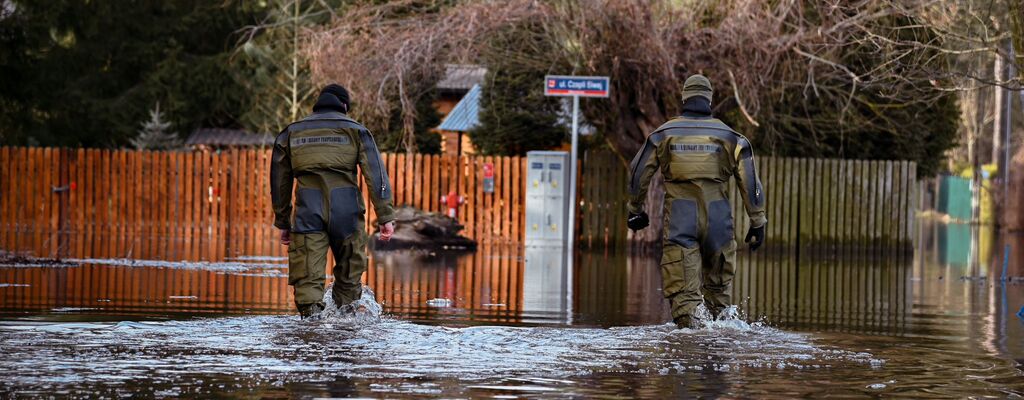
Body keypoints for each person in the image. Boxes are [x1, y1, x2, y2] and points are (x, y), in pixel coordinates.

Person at [626, 74, 767, 328]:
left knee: (685, 306)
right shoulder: (731, 137)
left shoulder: (664, 134)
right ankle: (716, 359)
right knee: (720, 305)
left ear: (684, 98)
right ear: (709, 100)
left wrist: (635, 210)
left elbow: (638, 174)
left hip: (681, 223)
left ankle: (689, 356)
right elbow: (750, 180)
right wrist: (757, 220)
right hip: (719, 223)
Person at [270, 84, 396, 319]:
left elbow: (279, 182)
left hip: (308, 214)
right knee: (349, 282)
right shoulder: (356, 131)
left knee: (307, 282)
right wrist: (385, 216)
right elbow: (376, 175)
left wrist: (283, 221)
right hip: (346, 214)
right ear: (344, 106)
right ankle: (345, 332)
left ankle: (310, 332)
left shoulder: (291, 133)